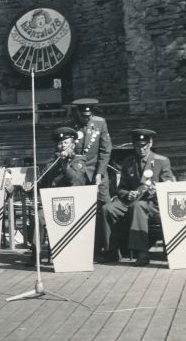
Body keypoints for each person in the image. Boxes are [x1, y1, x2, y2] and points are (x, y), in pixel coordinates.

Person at [101, 129, 174, 266]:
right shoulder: (129, 162)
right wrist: (127, 193)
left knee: (138, 206)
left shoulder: (161, 161)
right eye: (137, 146)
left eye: (144, 146)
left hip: (152, 203)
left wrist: (157, 190)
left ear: (150, 143)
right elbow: (120, 188)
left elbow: (169, 187)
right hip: (130, 200)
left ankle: (142, 252)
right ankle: (111, 250)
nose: (141, 149)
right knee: (107, 209)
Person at [22, 127, 89, 260]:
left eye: (65, 143)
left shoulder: (79, 161)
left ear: (73, 144)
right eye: (59, 143)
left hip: (71, 206)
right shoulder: (51, 163)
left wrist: (65, 165)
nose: (62, 146)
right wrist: (30, 186)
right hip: (52, 205)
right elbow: (41, 183)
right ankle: (36, 254)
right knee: (38, 216)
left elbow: (74, 179)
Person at [71, 98, 112, 255]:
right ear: (78, 113)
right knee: (80, 208)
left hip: (97, 170)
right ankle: (85, 247)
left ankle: (108, 248)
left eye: (88, 116)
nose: (86, 119)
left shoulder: (100, 123)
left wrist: (100, 172)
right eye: (83, 116)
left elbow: (105, 149)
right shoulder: (71, 124)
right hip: (78, 173)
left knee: (104, 207)